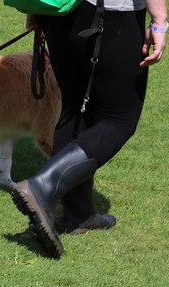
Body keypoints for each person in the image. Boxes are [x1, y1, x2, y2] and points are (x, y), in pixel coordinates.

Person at [11, 0, 167, 258]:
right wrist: (160, 21)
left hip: (58, 9)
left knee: (74, 106)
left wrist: (35, 8)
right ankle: (43, 187)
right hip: (110, 14)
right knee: (119, 119)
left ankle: (78, 214)